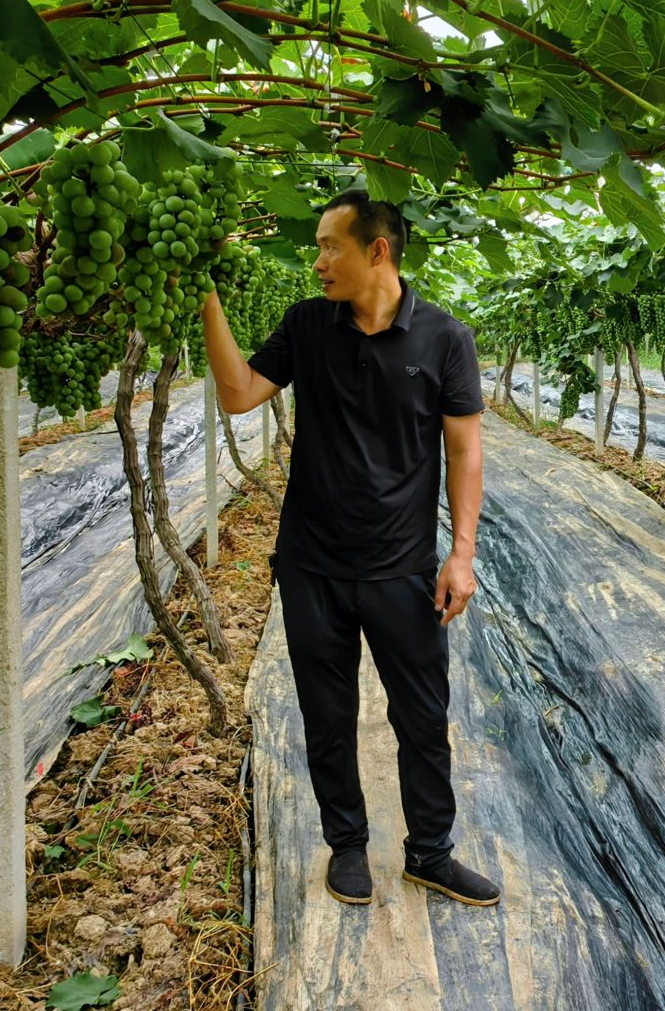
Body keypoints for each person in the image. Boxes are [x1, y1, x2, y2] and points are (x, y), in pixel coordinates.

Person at [201, 190, 500, 908]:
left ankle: (430, 853)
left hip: (403, 567)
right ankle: (347, 845)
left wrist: (461, 554)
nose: (318, 261)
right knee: (326, 715)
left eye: (330, 245)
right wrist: (204, 294)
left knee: (422, 717)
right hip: (312, 565)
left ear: (377, 250)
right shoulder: (308, 323)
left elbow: (465, 451)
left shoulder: (445, 338)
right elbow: (238, 394)